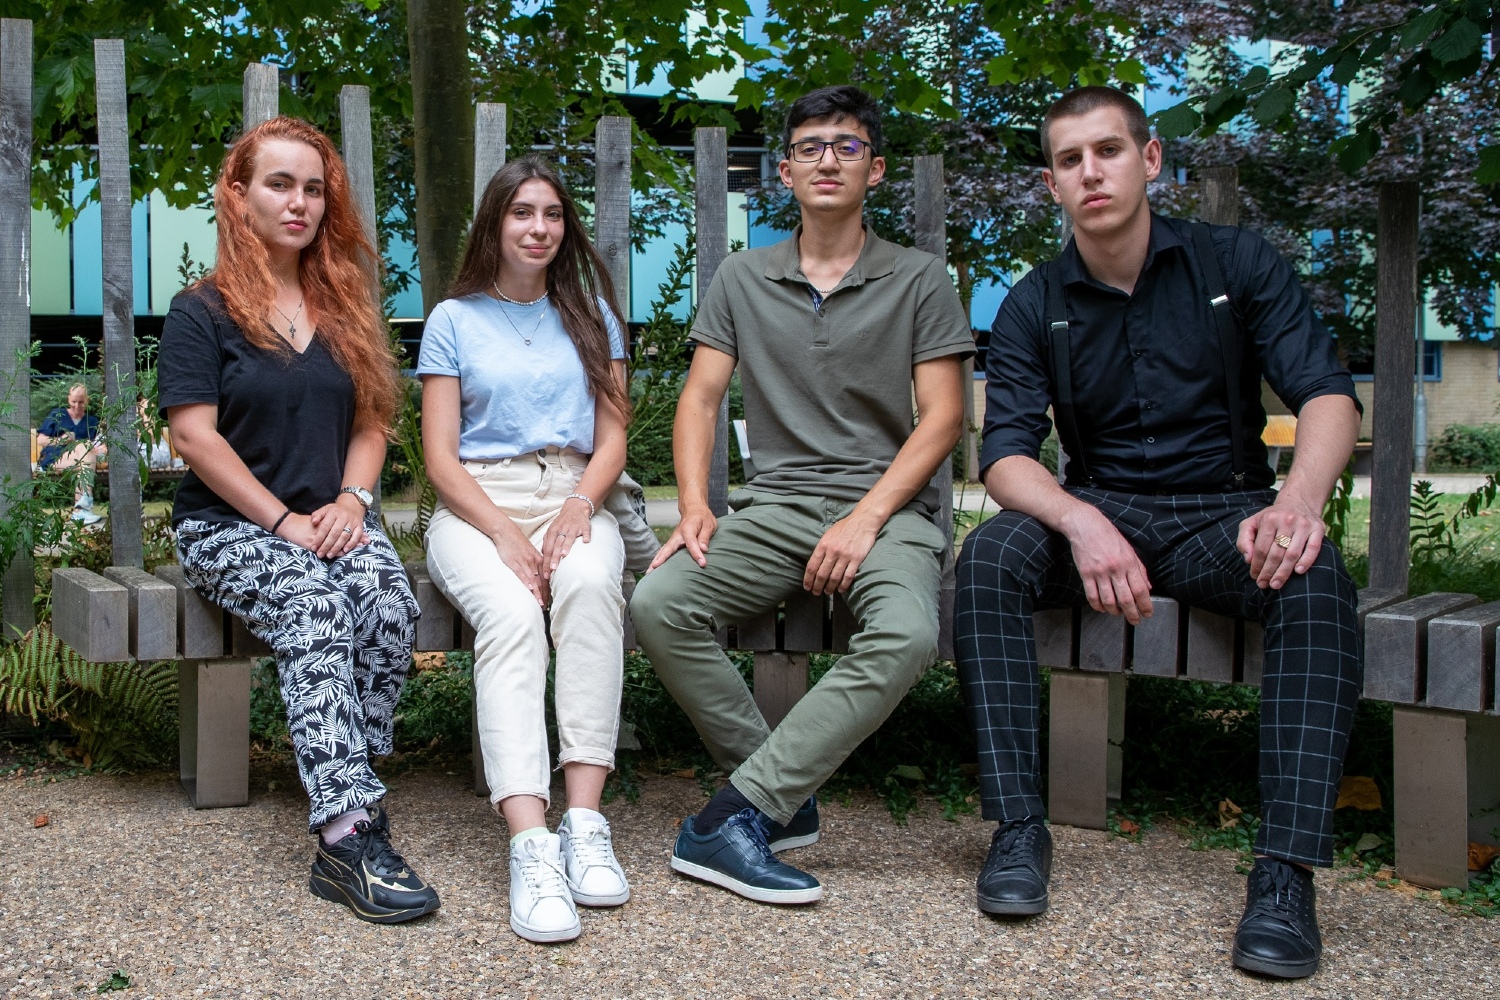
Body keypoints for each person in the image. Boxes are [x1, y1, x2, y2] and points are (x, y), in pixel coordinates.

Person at [955, 86, 1362, 979]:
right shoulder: (1032, 304)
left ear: (1151, 160)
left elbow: (1327, 394)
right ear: (1054, 184)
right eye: (1069, 160)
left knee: (1318, 576)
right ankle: (1019, 831)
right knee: (987, 559)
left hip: (1228, 513)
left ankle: (1286, 874)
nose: (1090, 173)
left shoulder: (1238, 264)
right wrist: (1080, 517)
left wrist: (1296, 504)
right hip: (1101, 514)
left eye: (1107, 151)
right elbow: (1005, 457)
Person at [630, 85, 973, 904]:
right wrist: (695, 504)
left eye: (847, 146)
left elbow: (945, 417)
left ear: (875, 169)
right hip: (776, 508)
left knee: (906, 636)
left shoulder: (921, 279)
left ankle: (735, 814)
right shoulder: (743, 279)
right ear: (783, 171)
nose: (828, 159)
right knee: (659, 602)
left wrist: (865, 518)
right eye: (811, 147)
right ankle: (774, 790)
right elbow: (700, 399)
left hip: (886, 512)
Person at [159, 116, 436, 925]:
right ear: (238, 194)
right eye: (280, 184)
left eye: (314, 188)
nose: (300, 202)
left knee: (385, 599)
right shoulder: (200, 310)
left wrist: (352, 502)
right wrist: (283, 523)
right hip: (229, 528)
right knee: (313, 604)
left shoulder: (342, 304)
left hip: (329, 520)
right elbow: (192, 435)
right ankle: (346, 838)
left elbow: (374, 422)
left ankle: (348, 769)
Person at [418, 155, 633, 944]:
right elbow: (439, 457)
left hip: (576, 496)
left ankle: (584, 823)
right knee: (510, 613)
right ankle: (530, 844)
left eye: (551, 214)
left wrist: (581, 507)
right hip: (480, 505)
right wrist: (506, 535)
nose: (538, 228)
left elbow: (613, 436)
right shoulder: (453, 319)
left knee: (588, 589)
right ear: (494, 223)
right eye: (521, 213)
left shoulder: (593, 316)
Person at [36, 383, 105, 525]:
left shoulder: (92, 421)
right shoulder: (57, 414)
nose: (77, 406)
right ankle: (84, 504)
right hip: (54, 458)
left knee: (85, 456)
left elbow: (100, 442)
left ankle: (80, 511)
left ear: (87, 401)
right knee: (85, 448)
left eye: (81, 402)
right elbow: (40, 440)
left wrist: (102, 448)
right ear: (68, 399)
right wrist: (59, 440)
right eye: (74, 401)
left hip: (82, 462)